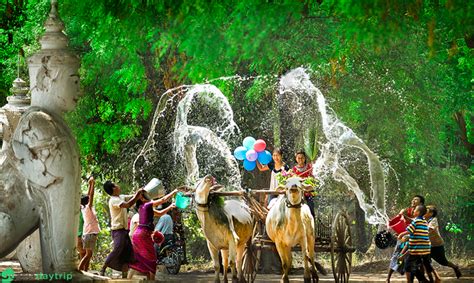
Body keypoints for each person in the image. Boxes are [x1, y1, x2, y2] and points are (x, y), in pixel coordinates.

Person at [128, 189, 178, 279]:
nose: (149, 196)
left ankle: (131, 279)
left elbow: (159, 213)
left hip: (137, 235)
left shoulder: (142, 207)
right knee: (152, 259)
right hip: (143, 234)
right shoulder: (147, 205)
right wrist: (174, 192)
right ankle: (152, 280)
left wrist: (170, 207)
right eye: (146, 195)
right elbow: (162, 200)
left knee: (140, 259)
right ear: (142, 198)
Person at [100, 181, 144, 278]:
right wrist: (137, 195)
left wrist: (140, 192)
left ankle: (125, 274)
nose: (118, 186)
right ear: (113, 189)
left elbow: (132, 197)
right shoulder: (113, 200)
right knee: (118, 249)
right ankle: (103, 267)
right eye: (116, 185)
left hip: (124, 230)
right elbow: (128, 204)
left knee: (128, 253)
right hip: (118, 230)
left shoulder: (121, 197)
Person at [398, 204, 438, 283]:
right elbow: (417, 233)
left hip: (417, 249)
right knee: (419, 266)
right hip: (425, 249)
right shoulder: (424, 222)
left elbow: (409, 230)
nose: (413, 210)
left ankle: (423, 280)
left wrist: (401, 234)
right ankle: (427, 280)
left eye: (415, 209)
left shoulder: (416, 221)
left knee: (408, 266)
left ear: (418, 212)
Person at [425, 205, 462, 278]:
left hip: (437, 245)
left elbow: (430, 229)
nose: (423, 211)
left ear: (431, 213)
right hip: (427, 245)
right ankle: (431, 278)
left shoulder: (433, 220)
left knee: (443, 262)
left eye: (426, 210)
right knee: (425, 262)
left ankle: (455, 267)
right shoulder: (422, 219)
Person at [79, 177, 100, 271]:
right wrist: (92, 184)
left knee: (88, 255)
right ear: (87, 201)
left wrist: (89, 185)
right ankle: (79, 269)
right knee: (88, 255)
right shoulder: (88, 207)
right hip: (90, 233)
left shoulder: (84, 208)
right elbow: (91, 195)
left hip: (88, 233)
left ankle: (84, 271)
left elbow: (88, 196)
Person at [292, 149, 315, 216]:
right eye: (298, 158)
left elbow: (313, 178)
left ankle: (312, 221)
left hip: (308, 192)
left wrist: (310, 179)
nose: (300, 159)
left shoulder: (309, 167)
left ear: (305, 158)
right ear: (296, 159)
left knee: (311, 207)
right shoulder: (294, 170)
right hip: (298, 193)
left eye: (302, 158)